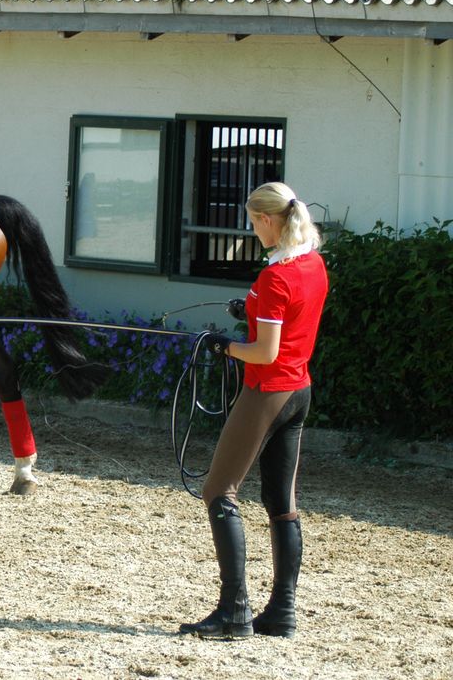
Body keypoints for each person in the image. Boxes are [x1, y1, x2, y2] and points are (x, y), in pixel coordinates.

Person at [180, 181, 329, 640]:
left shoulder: (274, 277)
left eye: (252, 222)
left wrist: (227, 347)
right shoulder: (312, 264)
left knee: (218, 490)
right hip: (300, 390)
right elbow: (286, 320)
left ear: (267, 221)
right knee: (280, 502)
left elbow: (264, 352)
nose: (252, 230)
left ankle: (234, 611)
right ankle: (282, 611)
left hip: (268, 391)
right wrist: (248, 310)